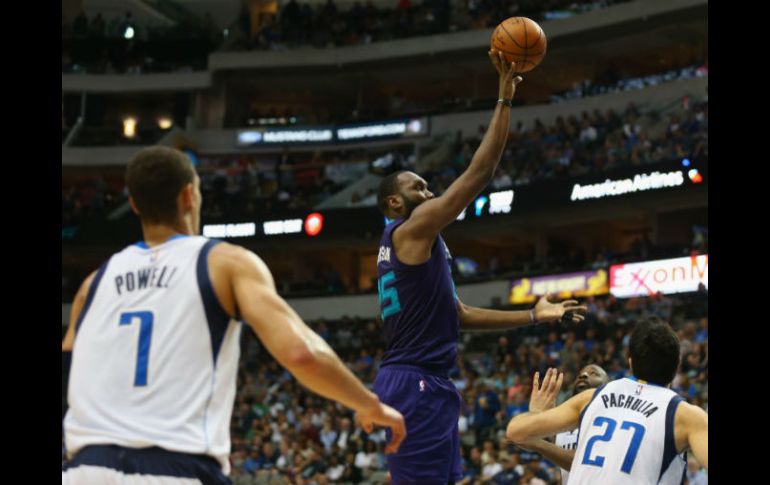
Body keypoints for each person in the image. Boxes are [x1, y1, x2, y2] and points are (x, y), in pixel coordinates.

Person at [62, 146, 405, 483]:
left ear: (134, 204)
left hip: (83, 470)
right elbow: (301, 353)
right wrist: (368, 404)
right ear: (189, 196)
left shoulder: (93, 283)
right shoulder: (224, 263)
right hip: (175, 466)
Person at [373, 50, 587, 484]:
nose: (429, 192)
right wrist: (504, 100)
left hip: (423, 382)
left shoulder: (413, 244)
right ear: (395, 202)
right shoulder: (409, 231)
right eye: (419, 187)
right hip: (415, 384)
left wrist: (532, 315)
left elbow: (459, 315)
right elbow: (479, 173)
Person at [506, 317, 708, 484]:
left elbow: (514, 431)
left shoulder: (591, 398)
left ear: (630, 363)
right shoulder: (686, 415)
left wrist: (536, 413)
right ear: (677, 365)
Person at [513, 365, 610, 484]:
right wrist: (535, 416)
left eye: (594, 373)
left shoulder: (613, 418)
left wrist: (537, 444)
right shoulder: (564, 422)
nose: (583, 375)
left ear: (609, 385)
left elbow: (581, 463)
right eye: (580, 374)